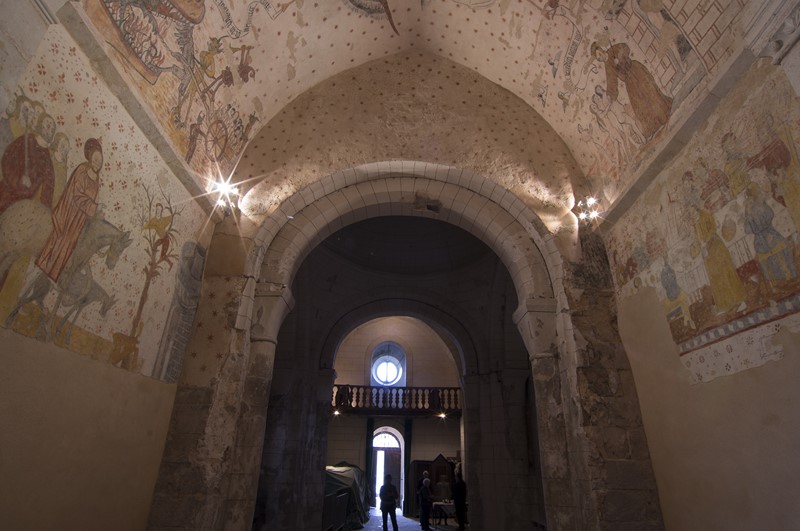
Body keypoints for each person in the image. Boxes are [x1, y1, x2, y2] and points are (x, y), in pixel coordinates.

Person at [35, 138, 103, 282]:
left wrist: (94, 207)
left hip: (80, 220)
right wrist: (91, 206)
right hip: (70, 212)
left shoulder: (97, 180)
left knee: (69, 243)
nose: (97, 163)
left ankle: (53, 271)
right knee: (60, 237)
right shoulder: (82, 170)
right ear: (90, 157)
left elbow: (96, 199)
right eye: (96, 159)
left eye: (100, 161)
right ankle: (43, 263)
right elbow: (76, 192)